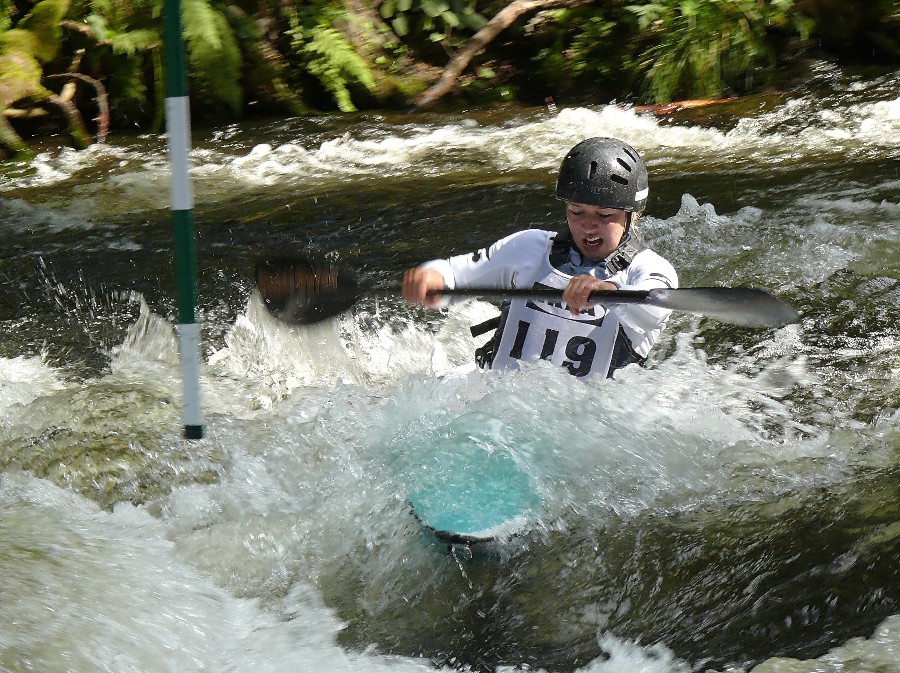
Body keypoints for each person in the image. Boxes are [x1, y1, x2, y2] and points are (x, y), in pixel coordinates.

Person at [401, 137, 678, 379]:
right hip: (493, 406)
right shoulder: (530, 247)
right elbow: (456, 274)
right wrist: (432, 278)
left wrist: (607, 292)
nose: (588, 225)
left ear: (631, 216)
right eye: (576, 211)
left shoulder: (650, 269)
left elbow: (651, 309)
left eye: (605, 215)